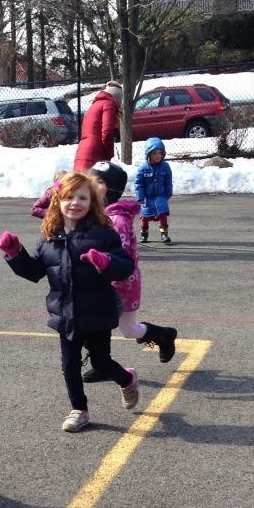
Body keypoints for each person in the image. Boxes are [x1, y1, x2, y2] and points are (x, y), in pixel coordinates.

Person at [0, 172, 139, 433]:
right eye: (69, 197)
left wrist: (106, 262)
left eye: (83, 197)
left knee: (101, 362)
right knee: (69, 365)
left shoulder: (103, 234)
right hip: (66, 314)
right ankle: (79, 409)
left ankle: (127, 379)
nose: (75, 202)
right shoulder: (49, 238)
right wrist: (14, 253)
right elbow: (34, 272)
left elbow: (125, 266)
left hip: (96, 312)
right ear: (57, 201)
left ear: (92, 202)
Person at [81, 161, 177, 384]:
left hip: (123, 285)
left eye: (99, 182)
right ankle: (101, 364)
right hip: (101, 285)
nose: (92, 186)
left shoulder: (117, 220)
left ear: (112, 190)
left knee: (129, 329)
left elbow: (121, 260)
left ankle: (164, 335)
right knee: (92, 325)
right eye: (90, 180)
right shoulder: (91, 213)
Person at [73, 80, 122, 171]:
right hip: (95, 153)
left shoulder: (94, 105)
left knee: (78, 183)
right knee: (93, 184)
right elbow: (107, 132)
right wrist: (109, 155)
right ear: (117, 99)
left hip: (82, 151)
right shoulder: (109, 104)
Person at [135, 137, 173, 244]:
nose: (157, 156)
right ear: (148, 155)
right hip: (148, 198)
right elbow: (139, 184)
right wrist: (140, 196)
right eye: (154, 153)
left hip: (161, 196)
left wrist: (168, 193)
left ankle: (164, 234)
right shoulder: (143, 167)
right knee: (145, 217)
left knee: (163, 214)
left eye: (160, 153)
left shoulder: (165, 167)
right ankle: (144, 234)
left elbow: (168, 181)